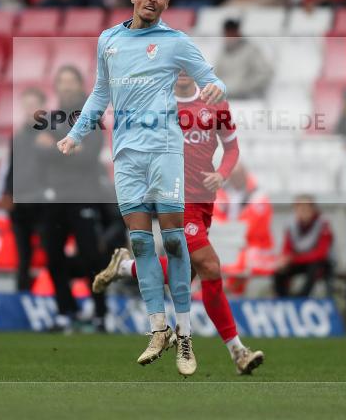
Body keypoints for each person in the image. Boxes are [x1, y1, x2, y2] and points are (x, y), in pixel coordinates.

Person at [57, 0, 227, 376]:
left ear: (166, 4)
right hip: (127, 156)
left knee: (171, 241)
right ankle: (158, 329)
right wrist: (76, 133)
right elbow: (101, 93)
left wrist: (216, 87)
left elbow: (209, 77)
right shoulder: (108, 40)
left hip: (166, 151)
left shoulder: (176, 43)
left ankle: (185, 335)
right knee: (140, 242)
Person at [92, 70, 266, 375]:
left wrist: (222, 174)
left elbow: (232, 147)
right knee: (210, 266)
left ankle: (123, 267)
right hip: (176, 200)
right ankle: (238, 350)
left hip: (203, 203)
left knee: (187, 272)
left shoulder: (216, 104)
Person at [33, 66, 111, 332]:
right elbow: (38, 152)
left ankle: (100, 312)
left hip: (84, 196)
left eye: (71, 81)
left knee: (92, 256)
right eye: (62, 82)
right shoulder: (52, 118)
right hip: (56, 197)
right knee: (53, 257)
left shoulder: (92, 117)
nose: (66, 87)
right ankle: (66, 312)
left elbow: (89, 156)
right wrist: (70, 147)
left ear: (80, 85)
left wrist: (56, 147)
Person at [0, 87, 48, 292]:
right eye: (26, 105)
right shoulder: (17, 137)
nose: (29, 109)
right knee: (22, 258)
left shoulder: (52, 134)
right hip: (20, 205)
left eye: (33, 104)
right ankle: (23, 298)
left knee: (50, 255)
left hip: (44, 205)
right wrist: (7, 196)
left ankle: (51, 296)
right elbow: (12, 170)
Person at [213, 164, 276, 293]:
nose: (235, 178)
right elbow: (214, 218)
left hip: (253, 245)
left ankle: (232, 293)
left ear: (245, 174)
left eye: (238, 174)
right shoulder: (221, 192)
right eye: (232, 174)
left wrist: (229, 233)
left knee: (239, 259)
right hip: (226, 242)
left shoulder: (259, 195)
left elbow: (253, 227)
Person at [273, 195, 333, 298]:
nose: (303, 211)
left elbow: (321, 253)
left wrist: (294, 258)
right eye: (299, 208)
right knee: (279, 271)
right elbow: (286, 248)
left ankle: (302, 299)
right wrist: (284, 260)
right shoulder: (290, 225)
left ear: (313, 209)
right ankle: (283, 299)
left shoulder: (323, 224)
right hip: (299, 261)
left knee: (315, 267)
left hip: (320, 263)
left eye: (306, 208)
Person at [214, 19, 274, 99]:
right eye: (227, 34)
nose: (229, 37)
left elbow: (265, 73)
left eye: (232, 33)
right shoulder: (222, 54)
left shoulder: (252, 50)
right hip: (227, 99)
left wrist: (246, 87)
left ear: (238, 32)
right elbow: (216, 75)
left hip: (249, 99)